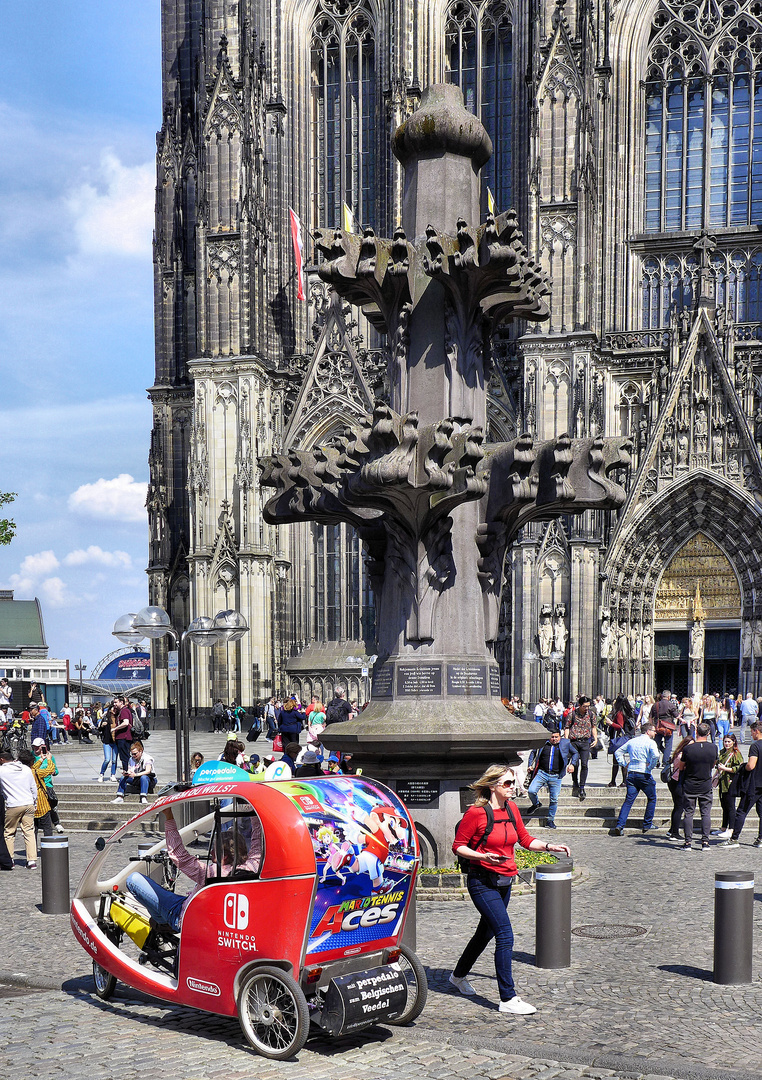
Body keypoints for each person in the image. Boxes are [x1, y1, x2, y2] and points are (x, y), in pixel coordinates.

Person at [450, 764, 570, 1015]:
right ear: (492, 785)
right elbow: (458, 846)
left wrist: (550, 846)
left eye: (513, 782)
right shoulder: (476, 813)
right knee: (505, 935)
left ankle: (458, 976)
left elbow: (525, 839)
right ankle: (508, 998)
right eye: (507, 783)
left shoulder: (512, 808)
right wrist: (482, 857)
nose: (513, 787)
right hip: (482, 881)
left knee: (485, 933)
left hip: (504, 881)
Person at [125, 804, 262, 930]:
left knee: (133, 880)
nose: (211, 852)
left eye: (213, 849)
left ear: (224, 857)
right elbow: (258, 839)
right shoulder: (252, 866)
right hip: (202, 911)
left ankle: (163, 920)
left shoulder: (212, 873)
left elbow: (179, 856)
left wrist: (169, 816)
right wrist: (254, 809)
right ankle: (161, 920)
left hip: (183, 916)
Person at [610, 721, 660, 836]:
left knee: (628, 800)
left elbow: (618, 752)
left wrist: (624, 763)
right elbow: (656, 756)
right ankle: (647, 823)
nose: (655, 733)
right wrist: (651, 766)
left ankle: (620, 825)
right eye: (653, 730)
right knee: (652, 797)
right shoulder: (650, 742)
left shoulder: (632, 741)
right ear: (648, 731)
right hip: (643, 773)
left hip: (631, 773)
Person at [524, 729, 579, 829]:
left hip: (556, 776)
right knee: (531, 791)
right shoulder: (543, 743)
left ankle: (550, 820)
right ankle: (536, 804)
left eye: (556, 737)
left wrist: (572, 764)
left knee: (554, 799)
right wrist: (530, 765)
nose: (554, 739)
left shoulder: (565, 743)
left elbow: (575, 753)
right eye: (552, 737)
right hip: (542, 773)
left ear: (560, 737)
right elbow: (533, 752)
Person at [720, 721, 762, 848]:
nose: (751, 734)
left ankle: (734, 839)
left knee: (742, 811)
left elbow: (751, 765)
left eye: (751, 732)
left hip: (755, 783)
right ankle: (760, 838)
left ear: (756, 731)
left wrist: (744, 767)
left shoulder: (755, 746)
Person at [678, 721, 718, 851]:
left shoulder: (688, 748)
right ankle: (705, 842)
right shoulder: (713, 747)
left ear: (696, 732)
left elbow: (681, 766)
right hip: (705, 783)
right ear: (708, 733)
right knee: (705, 813)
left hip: (690, 783)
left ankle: (688, 842)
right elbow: (713, 763)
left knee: (689, 813)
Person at [0, 748, 38, 868]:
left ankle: (9, 859)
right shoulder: (26, 769)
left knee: (9, 832)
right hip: (28, 803)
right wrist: (34, 801)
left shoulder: (1, 771)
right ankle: (32, 861)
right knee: (29, 831)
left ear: (2, 760)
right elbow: (33, 787)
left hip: (13, 804)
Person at [564, 697, 597, 801]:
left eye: (588, 706)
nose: (586, 708)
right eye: (584, 706)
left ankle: (582, 787)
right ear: (579, 705)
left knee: (584, 764)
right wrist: (566, 741)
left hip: (585, 742)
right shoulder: (572, 714)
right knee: (575, 764)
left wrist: (595, 739)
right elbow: (567, 727)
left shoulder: (591, 714)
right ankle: (575, 781)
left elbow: (593, 727)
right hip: (573, 742)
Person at [713, 733, 744, 840]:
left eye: (729, 741)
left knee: (730, 806)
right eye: (725, 741)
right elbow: (718, 765)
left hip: (731, 783)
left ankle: (731, 829)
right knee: (724, 805)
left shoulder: (735, 754)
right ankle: (723, 827)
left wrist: (725, 769)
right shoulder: (722, 752)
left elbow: (739, 768)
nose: (727, 743)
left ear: (733, 742)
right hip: (722, 781)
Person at [664, 735, 693, 841]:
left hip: (675, 781)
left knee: (677, 806)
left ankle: (671, 830)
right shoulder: (681, 756)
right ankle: (674, 833)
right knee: (679, 807)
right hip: (677, 782)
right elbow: (683, 768)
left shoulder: (678, 753)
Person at [111, 740, 156, 805]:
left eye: (135, 754)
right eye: (132, 754)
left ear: (141, 751)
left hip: (150, 779)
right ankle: (120, 797)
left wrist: (136, 774)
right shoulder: (131, 759)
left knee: (144, 777)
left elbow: (148, 771)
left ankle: (143, 796)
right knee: (123, 777)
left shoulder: (147, 758)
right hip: (136, 778)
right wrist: (126, 772)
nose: (134, 755)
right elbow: (130, 769)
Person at [97, 703, 119, 782]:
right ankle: (101, 774)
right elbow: (99, 730)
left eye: (115, 709)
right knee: (107, 759)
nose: (114, 711)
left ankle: (113, 775)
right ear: (109, 710)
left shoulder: (118, 718)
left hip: (116, 741)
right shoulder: (106, 718)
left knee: (114, 760)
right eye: (113, 709)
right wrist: (102, 726)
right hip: (107, 741)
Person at [112, 696, 133, 769]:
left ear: (121, 702)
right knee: (125, 756)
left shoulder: (124, 711)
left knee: (124, 757)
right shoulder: (122, 710)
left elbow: (126, 723)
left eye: (116, 702)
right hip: (123, 737)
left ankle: (126, 771)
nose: (114, 704)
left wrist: (115, 728)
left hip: (123, 737)